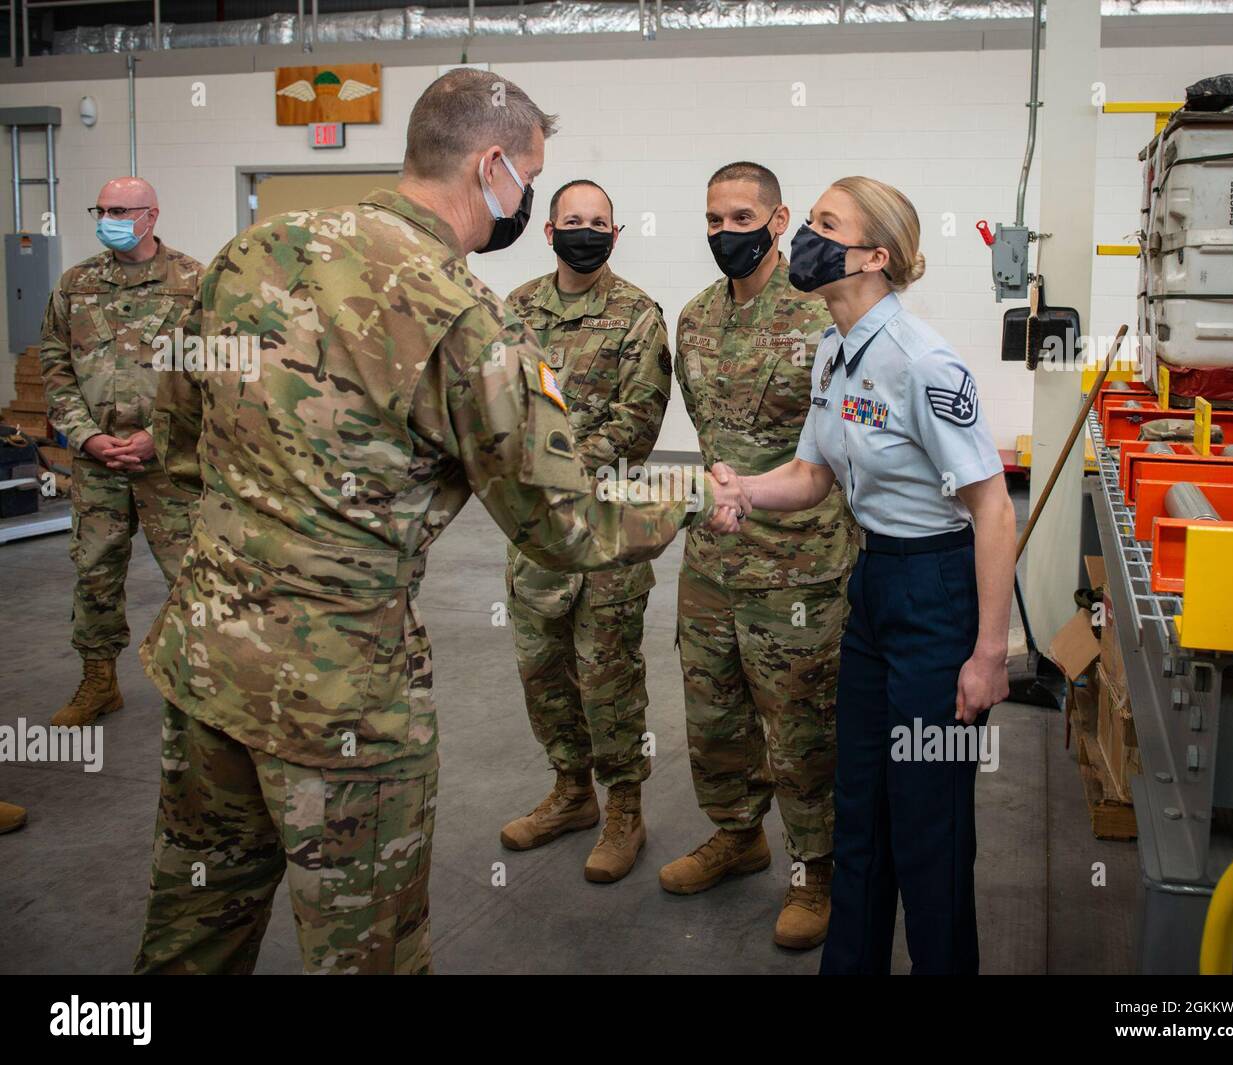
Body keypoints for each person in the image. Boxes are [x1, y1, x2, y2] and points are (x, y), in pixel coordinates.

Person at [129, 69, 746, 976]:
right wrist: (695, 494)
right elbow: (563, 523)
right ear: (493, 167)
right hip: (341, 699)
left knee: (190, 934)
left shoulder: (252, 249)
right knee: (365, 954)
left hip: (205, 665)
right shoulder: (459, 313)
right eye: (530, 178)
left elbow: (175, 442)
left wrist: (213, 577)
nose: (530, 201)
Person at [717, 176, 1015, 974]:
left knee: (928, 823)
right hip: (874, 586)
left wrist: (990, 652)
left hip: (936, 596)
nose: (803, 238)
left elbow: (993, 510)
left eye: (822, 224)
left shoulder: (925, 364)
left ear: (875, 256)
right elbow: (813, 475)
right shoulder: (833, 351)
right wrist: (746, 490)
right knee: (862, 813)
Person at [662, 162, 854, 951]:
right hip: (713, 558)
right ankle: (738, 833)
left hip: (799, 569)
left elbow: (838, 451)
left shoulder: (823, 320)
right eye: (713, 219)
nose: (724, 233)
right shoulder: (695, 318)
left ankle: (818, 868)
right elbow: (708, 432)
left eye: (742, 217)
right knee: (712, 716)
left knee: (802, 726)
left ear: (779, 223)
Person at [500, 179, 671, 883]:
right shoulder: (515, 311)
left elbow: (639, 421)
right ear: (548, 231)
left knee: (608, 676)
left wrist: (551, 460)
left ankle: (623, 806)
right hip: (536, 534)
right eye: (573, 220)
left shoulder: (637, 314)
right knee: (543, 672)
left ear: (616, 232)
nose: (586, 230)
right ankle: (571, 792)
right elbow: (496, 401)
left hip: (606, 530)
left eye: (598, 222)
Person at [38, 177, 201, 728]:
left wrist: (159, 432)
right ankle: (98, 682)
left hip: (169, 464)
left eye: (119, 209)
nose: (107, 217)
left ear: (150, 216)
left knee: (190, 575)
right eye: (101, 208)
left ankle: (197, 687)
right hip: (97, 462)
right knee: (96, 572)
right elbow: (55, 366)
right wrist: (85, 436)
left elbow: (211, 372)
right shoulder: (75, 284)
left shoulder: (193, 282)